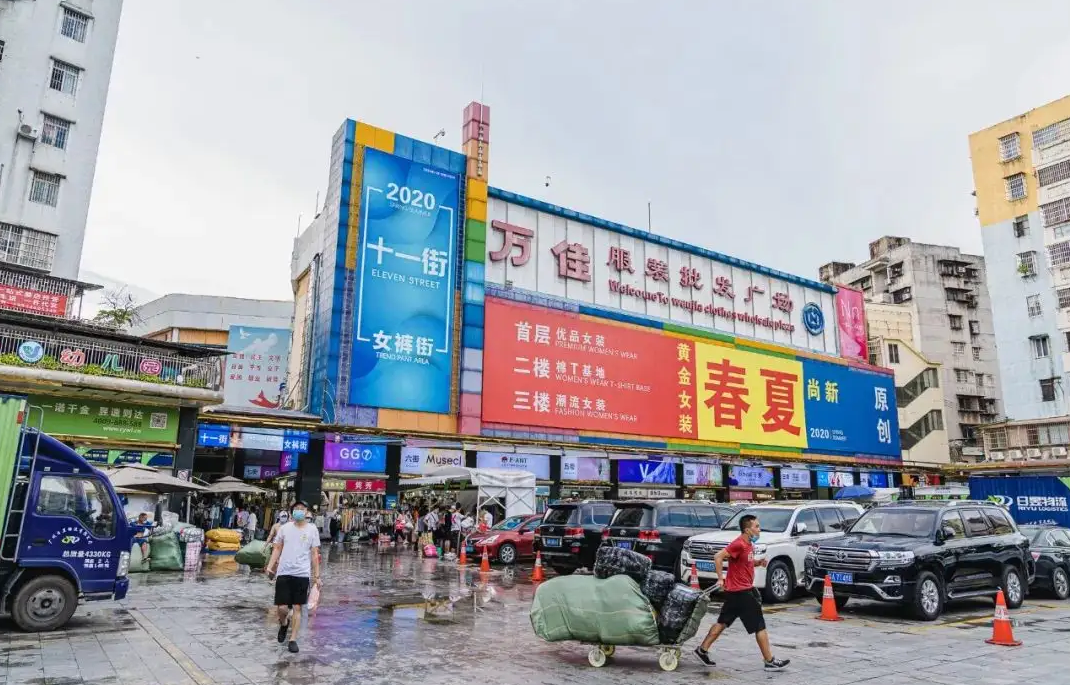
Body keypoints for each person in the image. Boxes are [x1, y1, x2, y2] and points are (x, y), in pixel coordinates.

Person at [694, 514, 789, 671]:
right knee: (759, 625)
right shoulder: (738, 544)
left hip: (737, 592)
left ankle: (702, 650)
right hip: (741, 592)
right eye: (756, 527)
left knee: (722, 622)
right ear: (747, 530)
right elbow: (718, 557)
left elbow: (745, 562)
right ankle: (769, 661)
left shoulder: (748, 544)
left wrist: (758, 562)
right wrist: (720, 579)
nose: (759, 529)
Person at [265, 501, 321, 654]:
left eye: (302, 509)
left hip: (302, 573)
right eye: (296, 509)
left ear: (307, 512)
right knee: (282, 608)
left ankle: (293, 639)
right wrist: (270, 567)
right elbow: (277, 549)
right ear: (291, 512)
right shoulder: (284, 529)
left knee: (297, 607)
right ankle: (284, 623)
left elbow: (315, 553)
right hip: (284, 572)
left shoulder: (312, 529)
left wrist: (317, 576)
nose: (299, 511)